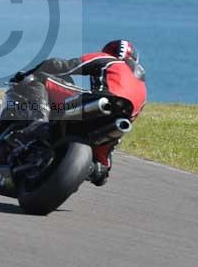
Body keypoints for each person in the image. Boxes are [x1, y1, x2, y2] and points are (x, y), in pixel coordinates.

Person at [10, 39, 147, 187]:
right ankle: (90, 167)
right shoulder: (143, 89)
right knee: (102, 171)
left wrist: (28, 73)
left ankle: (37, 123)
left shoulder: (108, 59)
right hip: (113, 125)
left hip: (97, 102)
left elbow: (64, 66)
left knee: (39, 79)